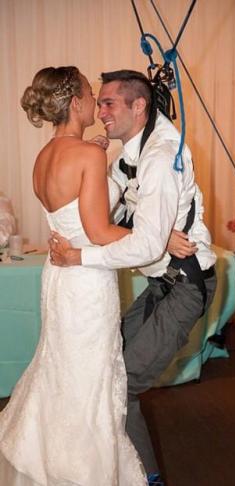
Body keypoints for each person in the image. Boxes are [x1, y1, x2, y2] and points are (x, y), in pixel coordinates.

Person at [49, 70, 217, 485]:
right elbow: (119, 204)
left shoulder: (160, 156)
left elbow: (142, 247)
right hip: (162, 283)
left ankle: (148, 478)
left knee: (119, 387)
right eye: (98, 102)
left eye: (109, 104)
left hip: (185, 287)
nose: (100, 112)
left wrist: (79, 256)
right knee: (107, 371)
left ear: (138, 106)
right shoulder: (134, 149)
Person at [0, 66, 147, 484]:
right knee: (89, 372)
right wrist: (155, 238)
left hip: (57, 276)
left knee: (61, 365)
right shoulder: (88, 155)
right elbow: (100, 232)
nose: (97, 102)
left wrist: (96, 154)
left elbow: (70, 215)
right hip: (84, 280)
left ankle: (47, 451)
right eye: (90, 93)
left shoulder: (44, 155)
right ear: (76, 103)